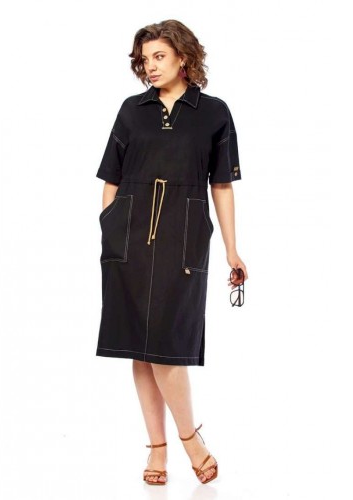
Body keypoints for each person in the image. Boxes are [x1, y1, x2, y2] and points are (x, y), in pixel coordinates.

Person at [95, 19, 248, 485]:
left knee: (166, 346)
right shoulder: (131, 110)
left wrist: (232, 250)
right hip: (128, 239)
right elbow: (111, 178)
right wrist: (110, 228)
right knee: (139, 349)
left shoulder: (214, 113)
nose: (150, 66)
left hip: (183, 239)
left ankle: (189, 439)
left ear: (183, 57)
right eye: (145, 59)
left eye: (159, 56)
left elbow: (221, 185)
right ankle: (157, 449)